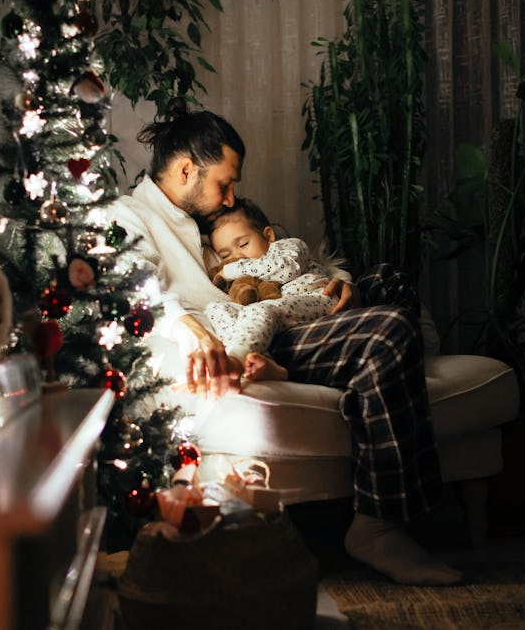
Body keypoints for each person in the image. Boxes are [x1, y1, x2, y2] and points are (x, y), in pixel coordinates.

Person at [108, 109, 462, 586]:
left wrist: (339, 285)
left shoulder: (209, 216)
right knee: (386, 331)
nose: (231, 197)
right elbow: (135, 287)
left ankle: (383, 370)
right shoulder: (128, 215)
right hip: (247, 334)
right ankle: (378, 527)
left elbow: (283, 263)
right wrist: (190, 328)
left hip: (284, 314)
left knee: (385, 280)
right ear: (187, 169)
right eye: (225, 184)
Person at [202, 196, 337, 383]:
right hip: (277, 316)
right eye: (226, 255)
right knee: (216, 309)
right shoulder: (245, 281)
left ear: (268, 235)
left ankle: (236, 360)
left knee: (261, 309)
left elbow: (286, 269)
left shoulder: (288, 247)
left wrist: (231, 269)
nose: (238, 256)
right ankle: (263, 363)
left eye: (243, 244)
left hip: (317, 300)